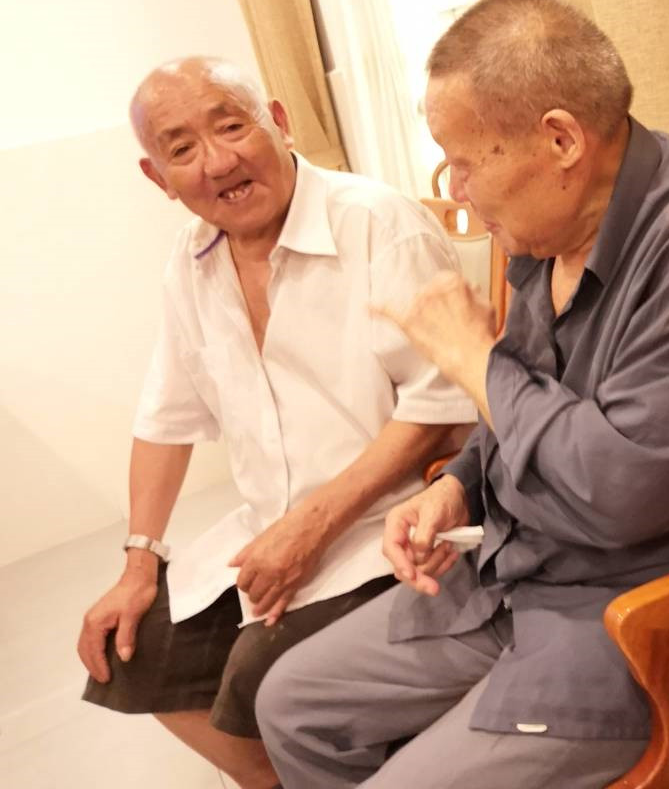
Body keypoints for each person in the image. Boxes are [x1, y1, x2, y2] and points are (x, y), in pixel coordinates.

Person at [255, 0, 669, 787]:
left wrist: (472, 355)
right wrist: (459, 486)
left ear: (561, 139)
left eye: (464, 161)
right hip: (513, 566)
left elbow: (624, 489)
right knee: (290, 702)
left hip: (638, 605)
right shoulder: (546, 229)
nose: (456, 188)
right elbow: (526, 397)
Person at [78, 57, 475, 789]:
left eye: (232, 126)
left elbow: (440, 407)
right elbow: (164, 417)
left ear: (280, 122)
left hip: (391, 528)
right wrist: (139, 565)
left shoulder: (375, 222)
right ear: (158, 178)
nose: (218, 161)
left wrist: (311, 528)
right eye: (183, 148)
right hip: (270, 534)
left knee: (261, 672)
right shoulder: (191, 261)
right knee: (129, 647)